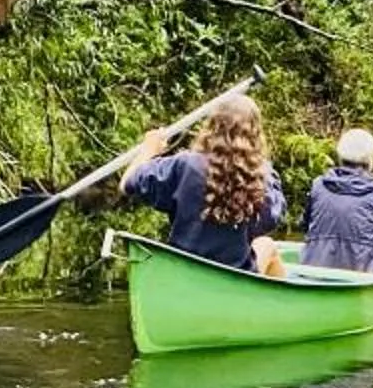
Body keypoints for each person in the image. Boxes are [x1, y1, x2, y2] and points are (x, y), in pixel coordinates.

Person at [121, 88, 286, 272]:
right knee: (267, 245)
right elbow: (272, 219)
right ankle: (282, 300)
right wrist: (264, 170)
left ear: (211, 127)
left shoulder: (183, 165)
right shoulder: (259, 177)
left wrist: (148, 149)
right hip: (236, 276)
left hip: (183, 270)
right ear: (255, 135)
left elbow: (127, 183)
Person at [302, 127, 373, 275]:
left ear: (340, 156)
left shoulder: (318, 186)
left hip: (315, 269)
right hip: (364, 273)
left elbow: (305, 226)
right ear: (370, 160)